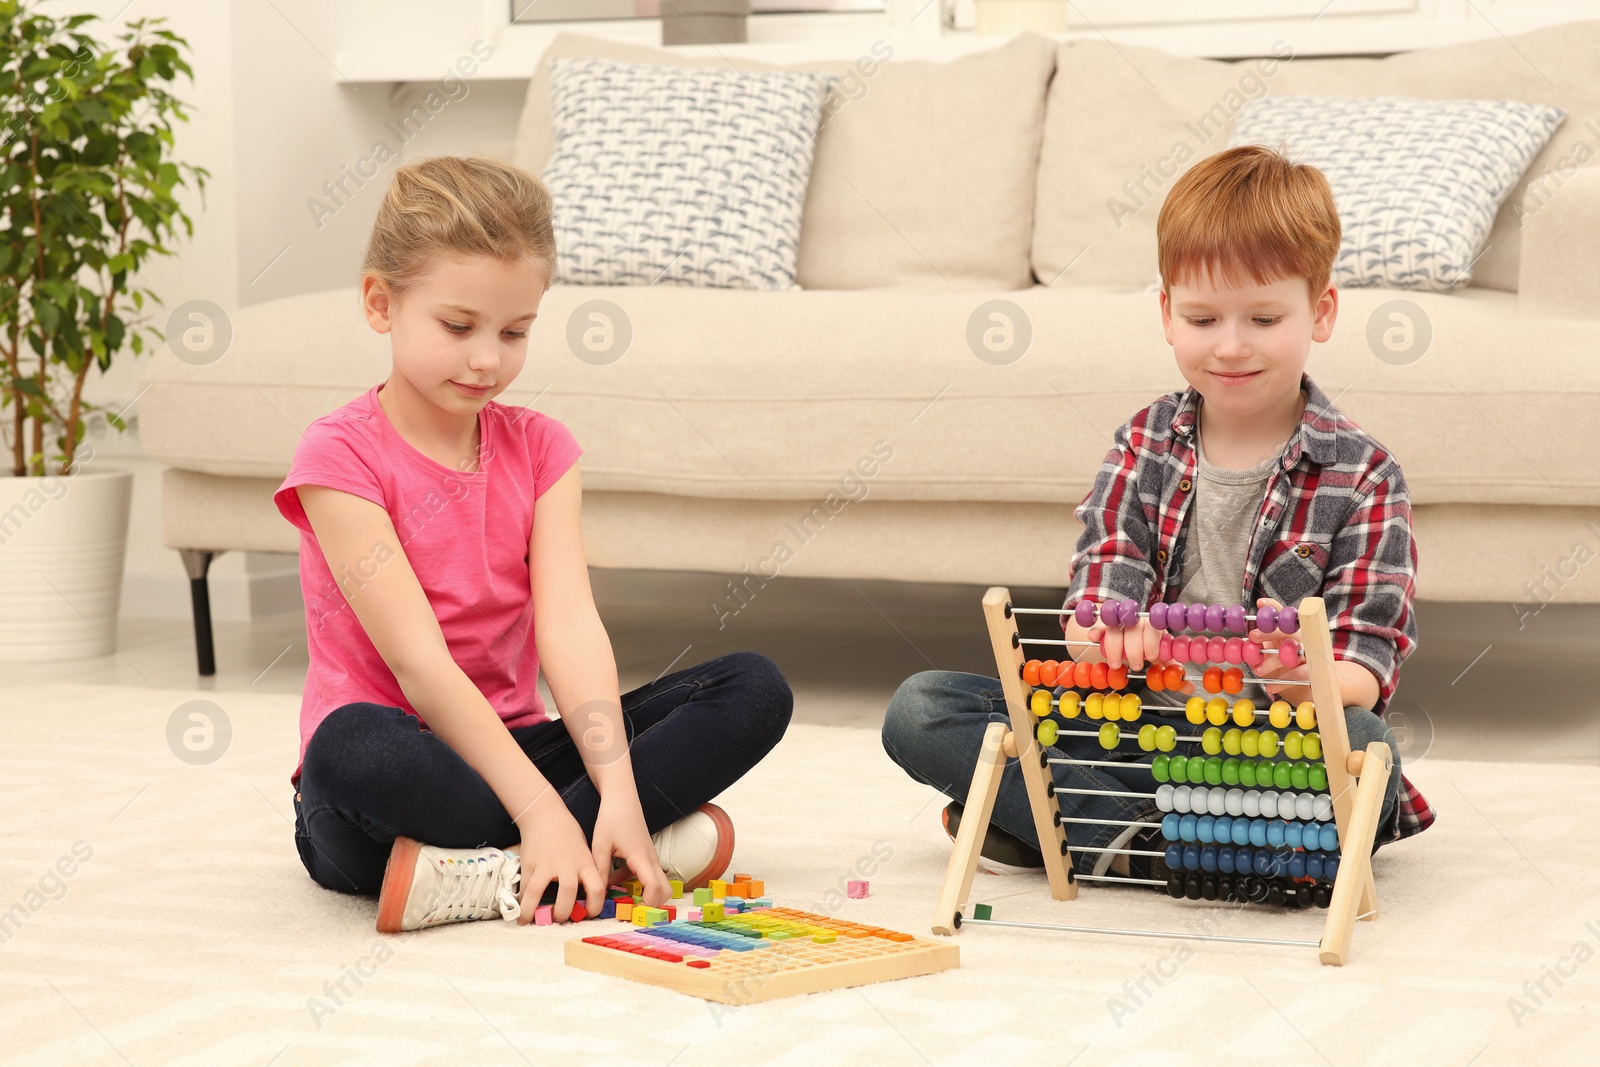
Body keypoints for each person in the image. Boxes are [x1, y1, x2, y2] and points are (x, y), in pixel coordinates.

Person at [882, 144, 1433, 888]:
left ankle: (1072, 825)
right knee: (923, 707)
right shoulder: (1144, 445)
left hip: (1276, 742)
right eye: (1202, 318)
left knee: (1367, 746)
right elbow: (1090, 615)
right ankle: (1177, 840)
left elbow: (1365, 668)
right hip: (1136, 730)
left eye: (1264, 317)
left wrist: (1302, 675)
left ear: (1321, 312)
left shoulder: (1364, 474)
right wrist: (1109, 636)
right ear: (1167, 314)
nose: (1230, 345)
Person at [273, 156, 792, 932]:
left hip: (519, 749)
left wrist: (614, 787)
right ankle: (570, 847)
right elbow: (419, 666)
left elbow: (570, 628)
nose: (488, 358)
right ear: (382, 303)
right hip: (396, 771)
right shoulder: (337, 457)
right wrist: (540, 808)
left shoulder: (544, 448)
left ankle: (513, 864)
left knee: (754, 687)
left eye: (515, 332)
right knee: (352, 749)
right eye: (458, 327)